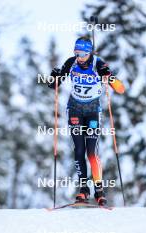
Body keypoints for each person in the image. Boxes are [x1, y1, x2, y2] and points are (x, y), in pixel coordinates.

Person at [48, 36, 125, 206]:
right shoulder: (71, 63)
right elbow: (54, 85)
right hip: (74, 110)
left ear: (89, 52)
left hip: (92, 112)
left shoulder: (98, 64)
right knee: (78, 151)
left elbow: (121, 89)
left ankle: (99, 190)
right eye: (76, 53)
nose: (79, 57)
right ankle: (84, 189)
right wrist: (53, 78)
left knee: (91, 152)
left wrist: (110, 78)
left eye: (82, 53)